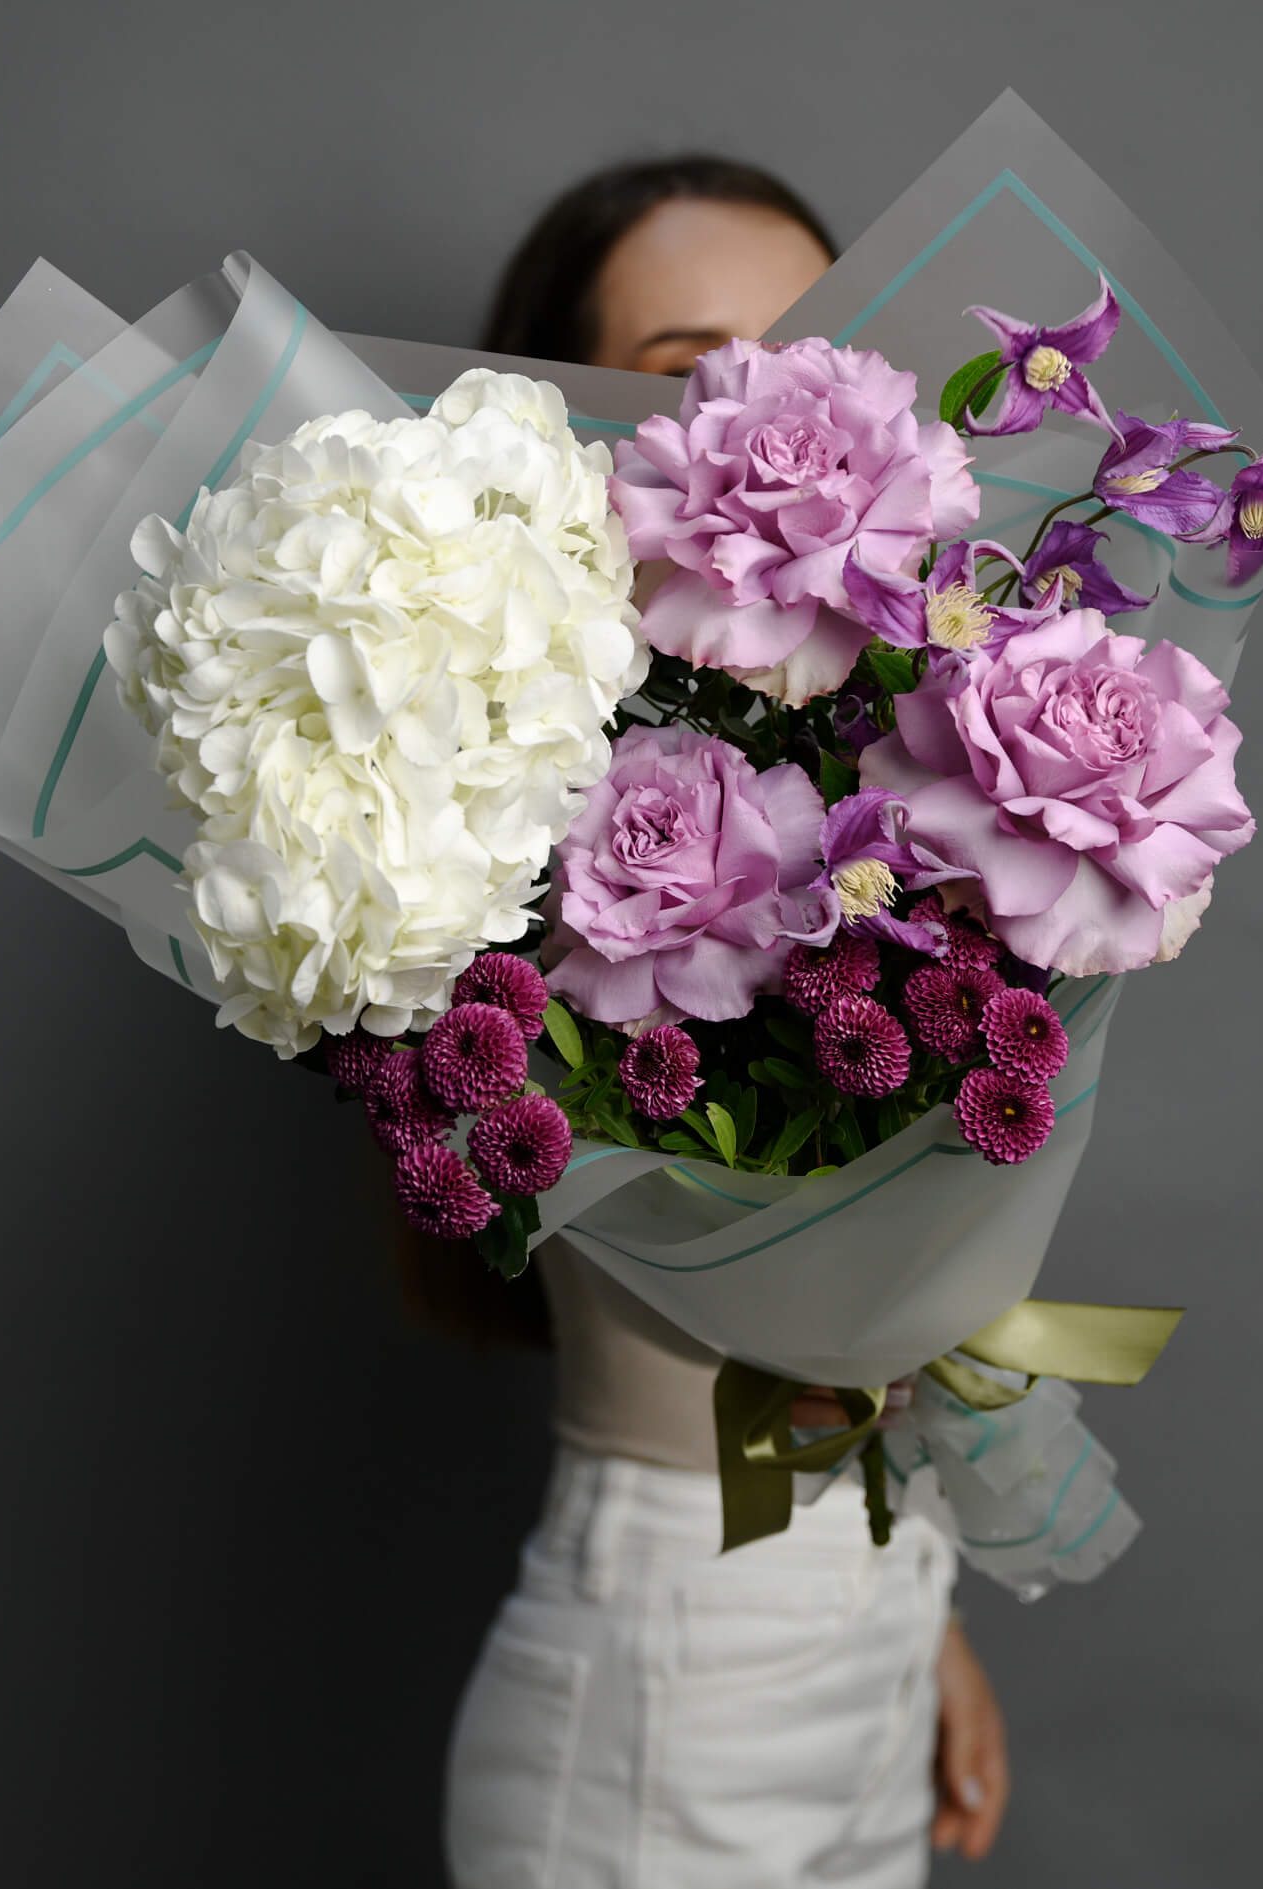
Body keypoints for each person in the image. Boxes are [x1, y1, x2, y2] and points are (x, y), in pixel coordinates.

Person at [418, 156, 1010, 1886]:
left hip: (866, 1643)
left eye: (813, 364)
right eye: (690, 372)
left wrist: (918, 1608)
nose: (770, 426)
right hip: (661, 1711)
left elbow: (853, 1279)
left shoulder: (898, 776)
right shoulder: (482, 810)